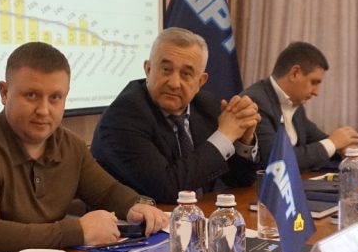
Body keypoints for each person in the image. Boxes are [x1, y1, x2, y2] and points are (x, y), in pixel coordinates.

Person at [0, 42, 168, 252]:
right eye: (31, 95)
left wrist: (136, 205)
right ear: (4, 92)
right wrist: (76, 231)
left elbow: (106, 191)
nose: (44, 110)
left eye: (55, 98)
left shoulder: (71, 145)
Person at [90, 27, 260, 204]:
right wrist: (225, 136)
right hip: (131, 220)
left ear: (200, 81)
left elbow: (240, 180)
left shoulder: (206, 106)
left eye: (186, 74)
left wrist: (244, 139)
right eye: (165, 69)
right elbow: (168, 188)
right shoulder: (123, 115)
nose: (174, 83)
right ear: (148, 69)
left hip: (197, 215)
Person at [243, 41, 358, 171]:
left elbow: (318, 140)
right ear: (295, 73)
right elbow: (275, 160)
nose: (316, 92)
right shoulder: (255, 101)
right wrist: (333, 143)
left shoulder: (295, 103)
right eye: (314, 82)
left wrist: (343, 147)